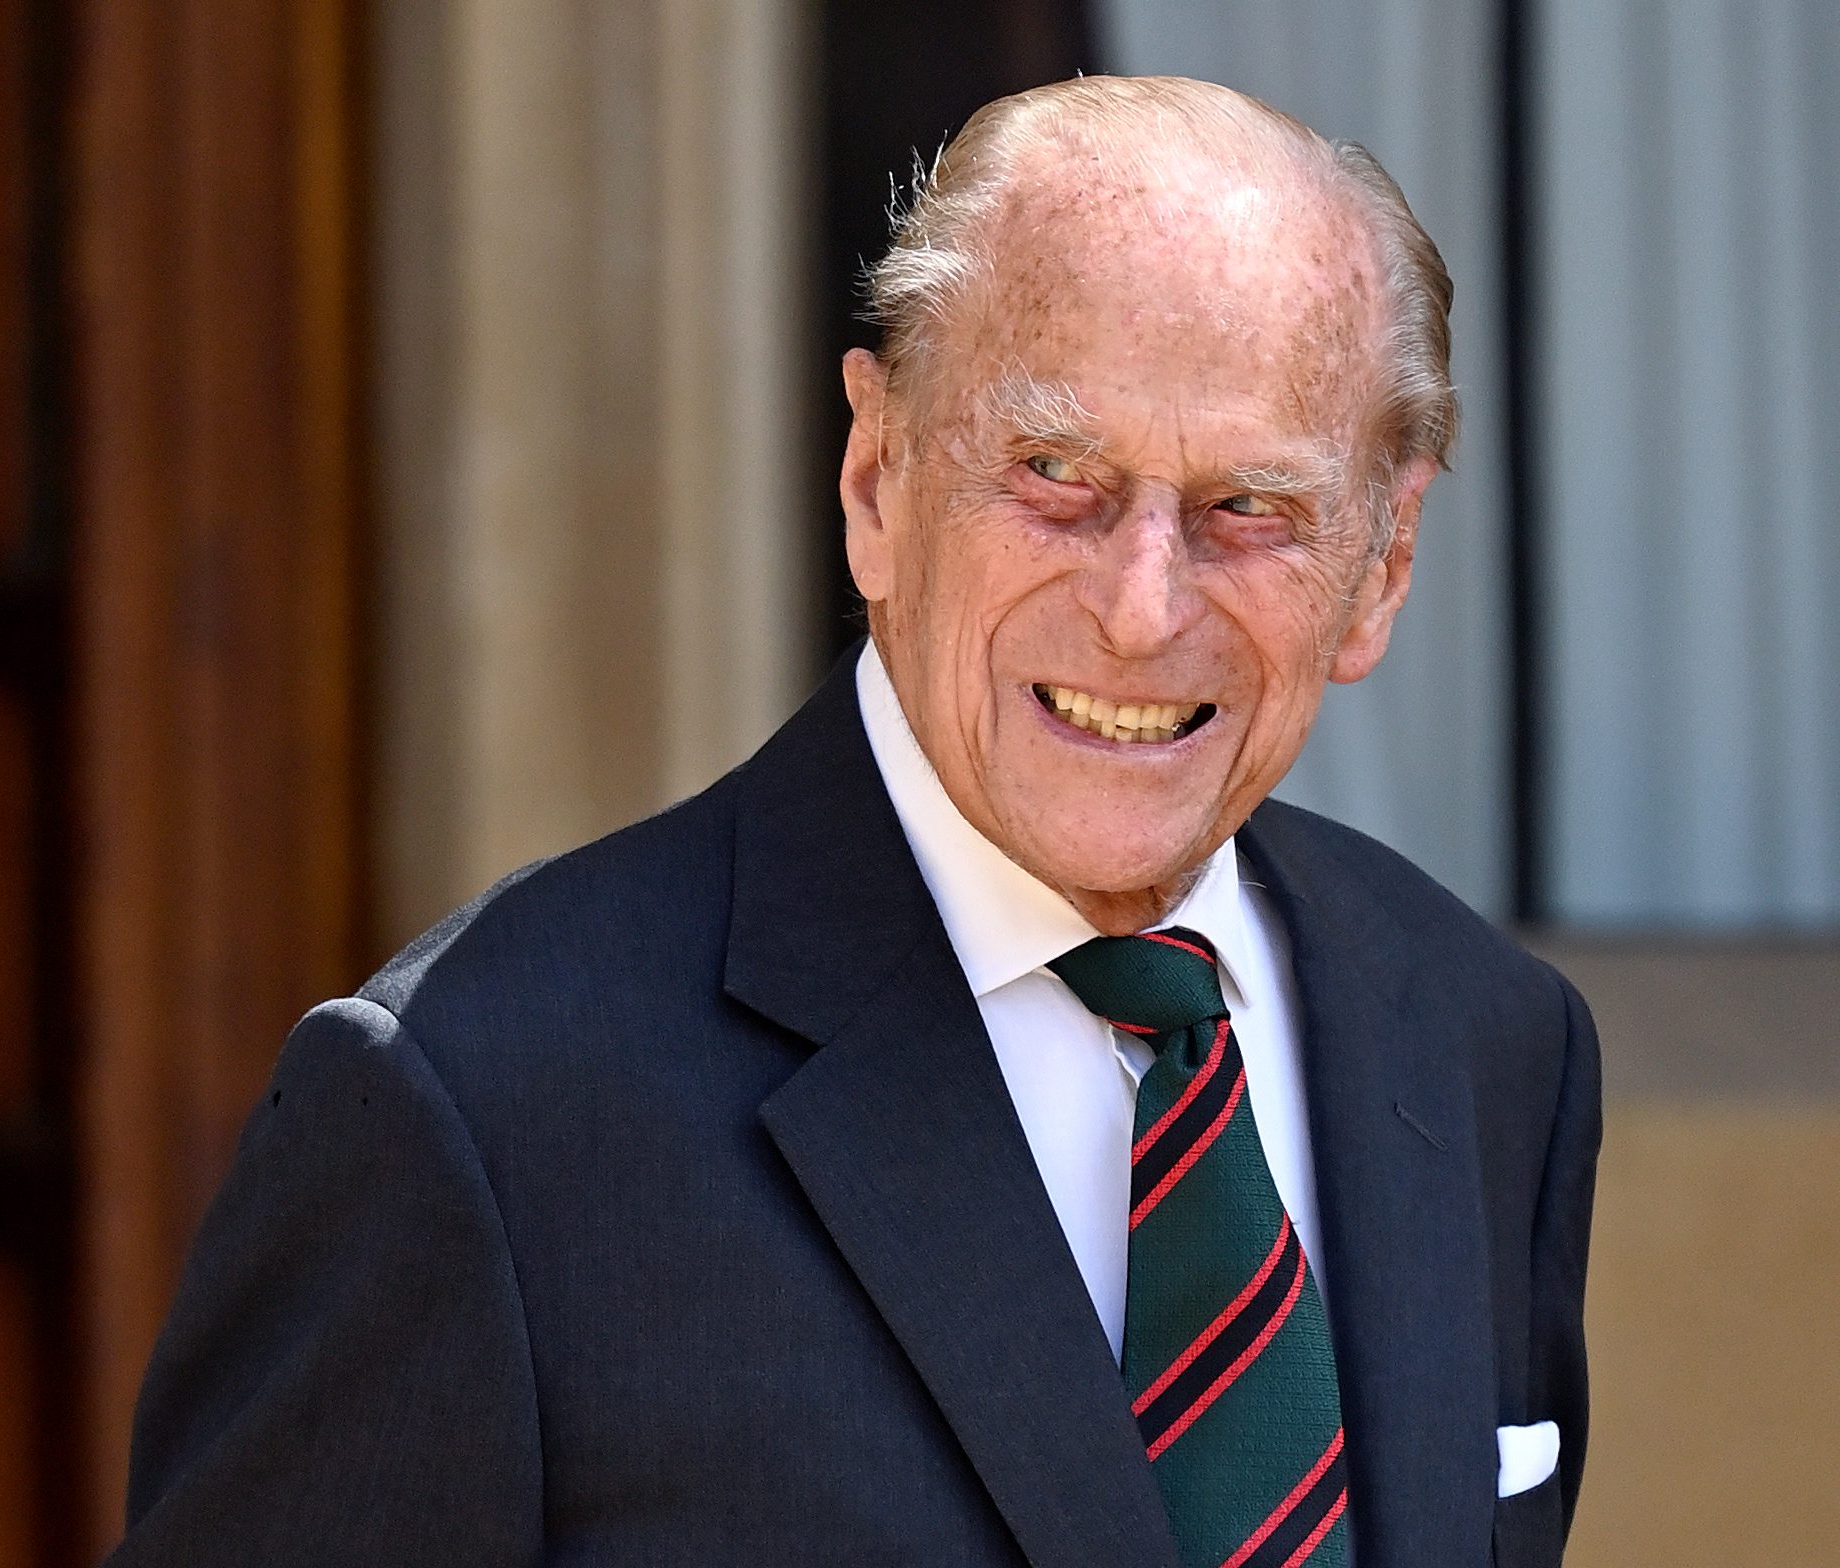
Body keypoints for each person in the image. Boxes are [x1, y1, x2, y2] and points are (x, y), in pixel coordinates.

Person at [108, 76, 1597, 1568]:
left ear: (1384, 563)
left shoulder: (1486, 1044)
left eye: (1248, 509)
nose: (1142, 611)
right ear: (876, 477)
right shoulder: (479, 1108)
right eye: (1055, 475)